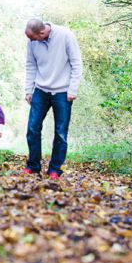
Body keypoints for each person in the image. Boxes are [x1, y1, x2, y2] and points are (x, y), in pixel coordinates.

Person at [23, 18, 83, 179]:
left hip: (63, 92)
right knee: (32, 128)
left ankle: (55, 169)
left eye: (32, 38)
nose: (30, 41)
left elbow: (77, 63)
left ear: (42, 32)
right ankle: (33, 166)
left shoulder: (66, 35)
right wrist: (29, 90)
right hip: (41, 90)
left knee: (60, 132)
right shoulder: (32, 42)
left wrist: (73, 89)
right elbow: (31, 65)